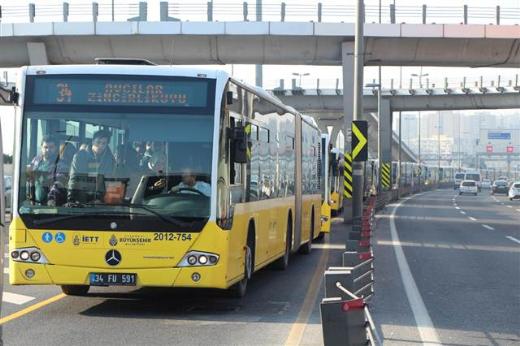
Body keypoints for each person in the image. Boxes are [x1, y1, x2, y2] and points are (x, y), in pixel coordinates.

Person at [68, 130, 115, 203]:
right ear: (93, 141)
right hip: (81, 198)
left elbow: (110, 182)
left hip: (101, 201)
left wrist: (107, 200)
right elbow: (74, 179)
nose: (100, 146)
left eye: (104, 143)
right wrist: (70, 198)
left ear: (107, 144)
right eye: (98, 142)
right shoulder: (80, 156)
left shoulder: (110, 159)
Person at [26, 136, 58, 205]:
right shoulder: (35, 161)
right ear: (41, 147)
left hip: (51, 205)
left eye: (51, 147)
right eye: (45, 147)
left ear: (55, 148)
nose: (48, 150)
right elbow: (30, 179)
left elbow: (58, 183)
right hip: (35, 203)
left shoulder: (59, 163)